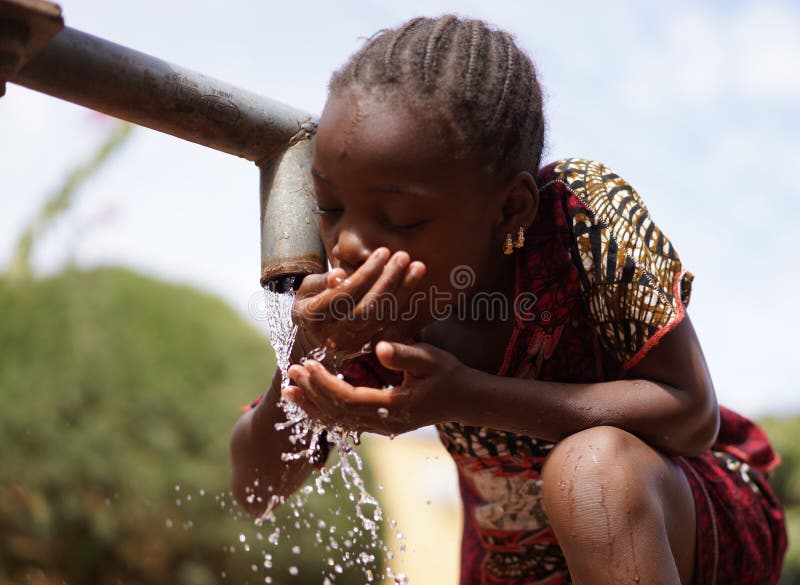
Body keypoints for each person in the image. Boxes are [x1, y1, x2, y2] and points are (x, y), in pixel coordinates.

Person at [230, 15, 786, 585]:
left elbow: (691, 413)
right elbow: (257, 489)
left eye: (400, 219)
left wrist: (471, 397)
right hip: (515, 560)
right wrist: (310, 353)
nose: (346, 244)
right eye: (327, 207)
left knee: (589, 473)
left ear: (510, 210)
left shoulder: (576, 224)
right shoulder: (373, 311)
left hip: (685, 521)